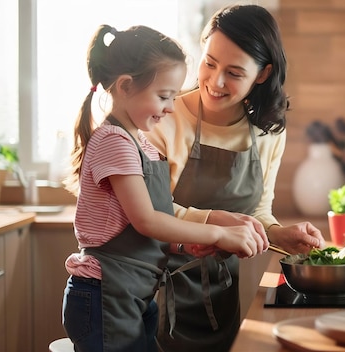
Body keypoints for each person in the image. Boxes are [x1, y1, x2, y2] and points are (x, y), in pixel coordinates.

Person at [61, 24, 268, 352]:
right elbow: (147, 221)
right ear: (126, 86)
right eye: (163, 96)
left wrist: (182, 246)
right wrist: (216, 233)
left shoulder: (139, 141)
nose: (171, 107)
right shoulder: (114, 141)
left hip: (133, 295)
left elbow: (146, 223)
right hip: (104, 296)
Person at [146, 4, 326, 352]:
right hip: (155, 292)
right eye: (209, 63)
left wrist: (280, 235)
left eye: (234, 72)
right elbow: (149, 213)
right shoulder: (164, 118)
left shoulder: (267, 133)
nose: (215, 81)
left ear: (262, 74)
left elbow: (258, 210)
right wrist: (216, 223)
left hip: (220, 295)